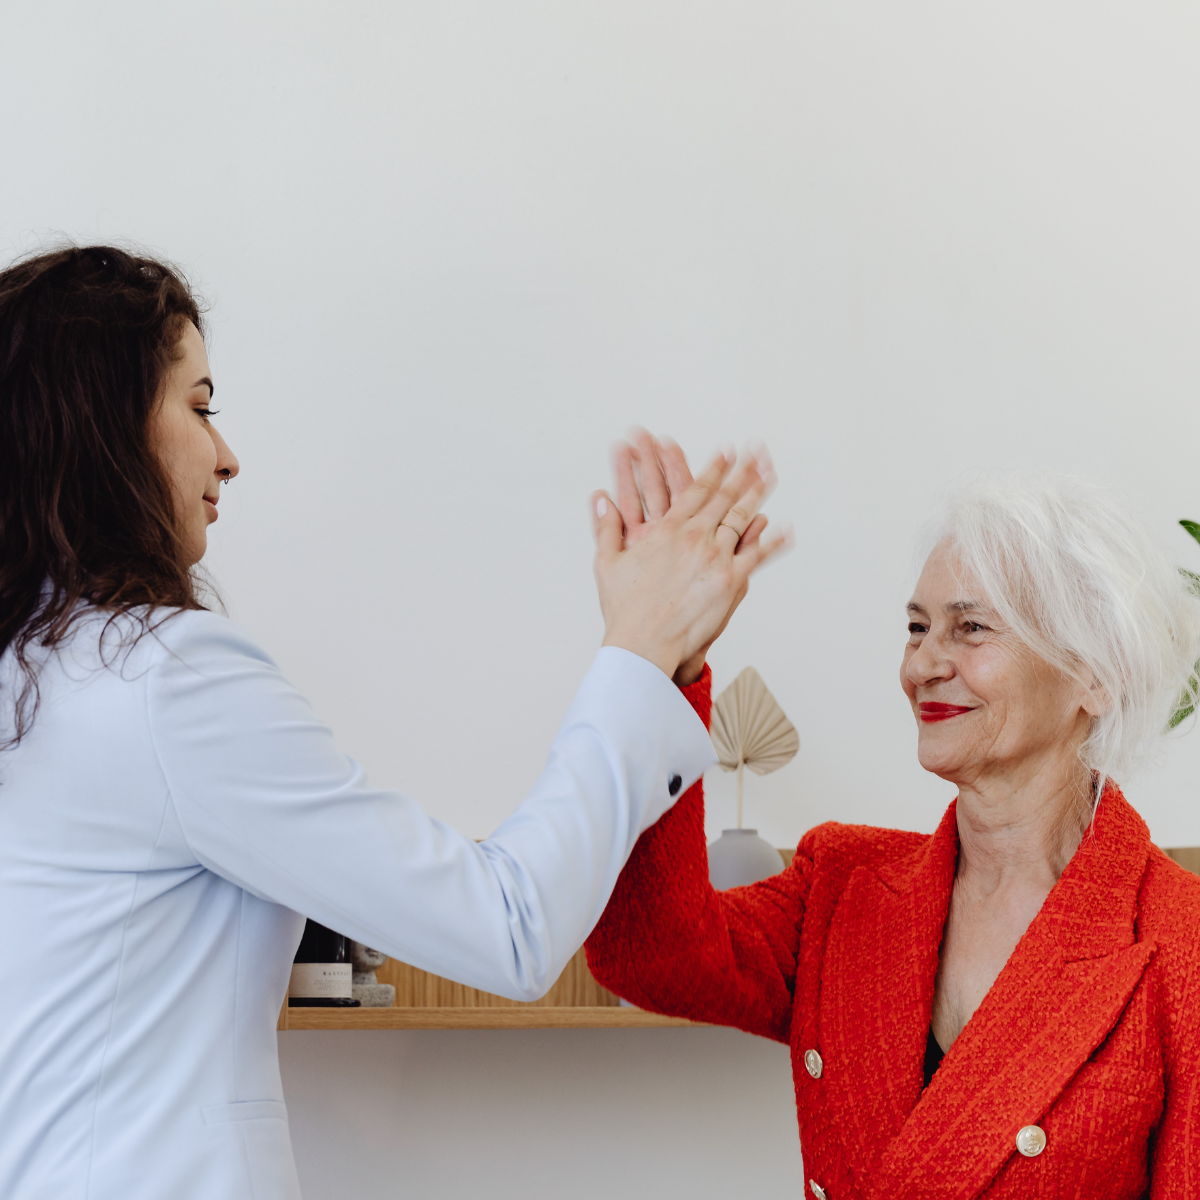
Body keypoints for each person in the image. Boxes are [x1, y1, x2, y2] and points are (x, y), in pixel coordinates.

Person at [0, 245, 787, 1200]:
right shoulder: (164, 677)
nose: (228, 454)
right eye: (200, 405)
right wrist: (637, 651)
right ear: (105, 424)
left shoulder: (31, 675)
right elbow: (509, 929)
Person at [587, 442, 1200, 1200]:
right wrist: (659, 661)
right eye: (917, 628)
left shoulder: (1179, 944)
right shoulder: (841, 886)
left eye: (971, 629)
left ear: (1095, 675)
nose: (922, 666)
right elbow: (651, 958)